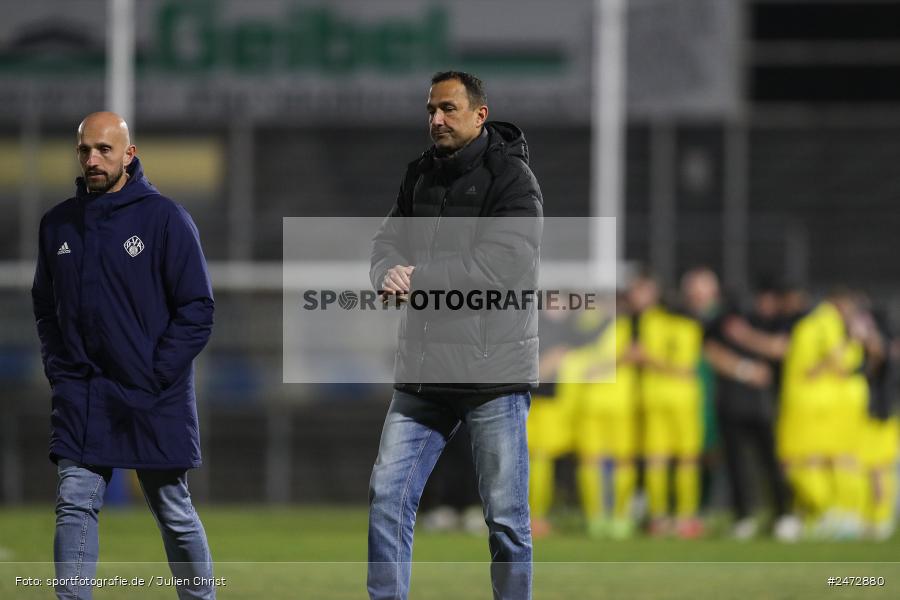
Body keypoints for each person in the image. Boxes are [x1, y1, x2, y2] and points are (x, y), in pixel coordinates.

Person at [368, 71, 543, 600]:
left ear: (479, 114)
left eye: (447, 109)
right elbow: (387, 243)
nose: (436, 120)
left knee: (506, 521)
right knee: (385, 497)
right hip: (424, 374)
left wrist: (418, 278)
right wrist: (387, 273)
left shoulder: (512, 178)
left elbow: (504, 266)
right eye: (430, 110)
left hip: (493, 375)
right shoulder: (419, 174)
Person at [31, 112, 216, 599]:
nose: (93, 159)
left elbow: (197, 308)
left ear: (128, 155)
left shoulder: (165, 219)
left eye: (104, 150)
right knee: (74, 503)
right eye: (85, 150)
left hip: (151, 394)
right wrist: (60, 370)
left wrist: (155, 374)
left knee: (172, 509)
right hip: (84, 394)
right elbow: (44, 308)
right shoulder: (57, 225)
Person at [703, 278, 797, 540]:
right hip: (731, 403)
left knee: (771, 463)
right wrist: (744, 370)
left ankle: (784, 514)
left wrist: (746, 336)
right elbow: (710, 351)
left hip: (764, 405)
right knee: (736, 465)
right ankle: (743, 517)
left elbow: (780, 348)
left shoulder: (777, 322)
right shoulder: (727, 319)